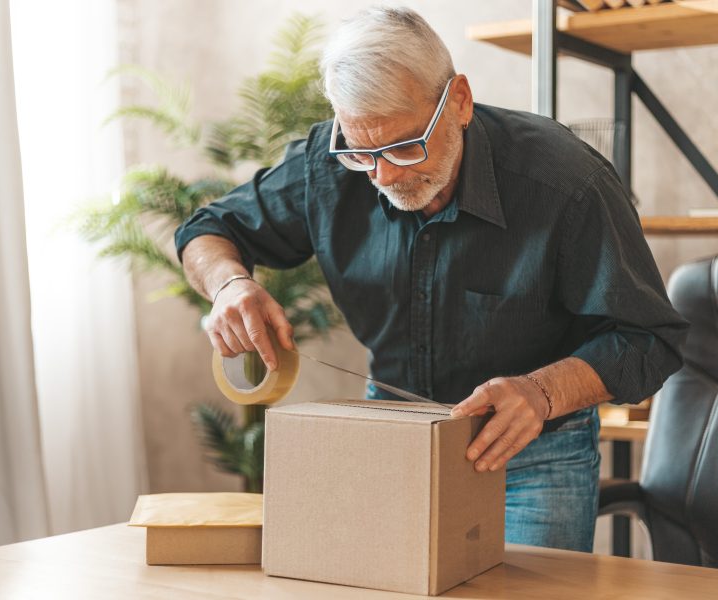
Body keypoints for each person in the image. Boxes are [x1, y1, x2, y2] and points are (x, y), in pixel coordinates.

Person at [175, 6, 688, 552]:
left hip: (534, 455)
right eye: (363, 153)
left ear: (459, 101)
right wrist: (229, 284)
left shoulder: (567, 182)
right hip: (390, 440)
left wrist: (541, 391)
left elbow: (650, 340)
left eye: (403, 145)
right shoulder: (328, 163)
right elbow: (207, 230)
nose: (385, 175)